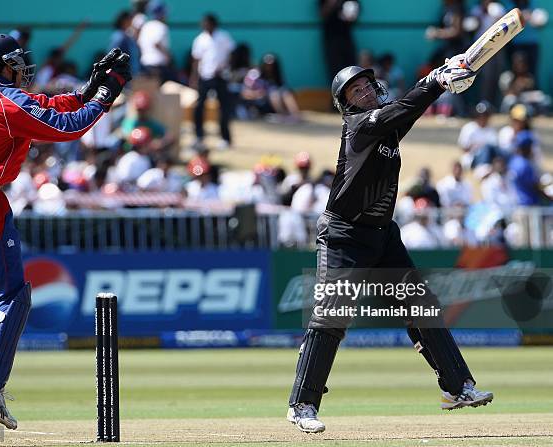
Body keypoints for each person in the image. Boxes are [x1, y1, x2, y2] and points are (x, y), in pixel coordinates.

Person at [286, 55, 493, 433]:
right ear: (347, 102)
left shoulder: (388, 126)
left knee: (422, 308)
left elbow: (408, 110)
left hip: (383, 236)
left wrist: (439, 78)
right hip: (343, 235)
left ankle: (457, 388)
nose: (365, 92)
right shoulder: (359, 126)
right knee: (332, 316)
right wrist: (436, 82)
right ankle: (302, 404)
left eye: (367, 85)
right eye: (356, 90)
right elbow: (403, 109)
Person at [0, 34, 131, 427]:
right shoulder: (8, 102)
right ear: (5, 65)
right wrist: (106, 95)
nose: (22, 69)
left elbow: (44, 106)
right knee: (13, 293)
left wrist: (86, 89)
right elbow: (68, 129)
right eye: (16, 62)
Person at [190, 13, 235, 150]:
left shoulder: (223, 36)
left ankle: (225, 138)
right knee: (199, 107)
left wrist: (225, 66)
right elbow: (196, 60)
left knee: (224, 108)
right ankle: (199, 136)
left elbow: (232, 54)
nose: (205, 26)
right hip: (205, 76)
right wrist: (194, 77)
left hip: (220, 76)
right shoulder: (200, 39)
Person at [319, 0, 359, 85]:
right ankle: (337, 96)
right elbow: (322, 14)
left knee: (351, 70)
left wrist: (350, 15)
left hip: (346, 38)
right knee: (335, 72)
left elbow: (354, 16)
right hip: (331, 39)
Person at [137, 0, 172, 83]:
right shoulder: (162, 26)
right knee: (159, 93)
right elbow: (156, 43)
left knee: (148, 92)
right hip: (158, 67)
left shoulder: (146, 26)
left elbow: (138, 43)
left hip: (144, 65)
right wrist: (168, 55)